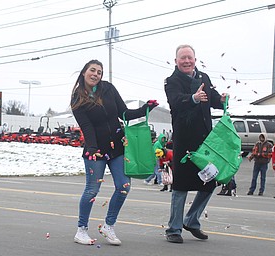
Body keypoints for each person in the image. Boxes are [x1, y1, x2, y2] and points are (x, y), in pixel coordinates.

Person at [70, 59, 158, 245]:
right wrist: (93, 148)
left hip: (117, 147)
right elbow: (86, 126)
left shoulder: (108, 89)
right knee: (92, 189)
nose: (96, 74)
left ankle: (109, 226)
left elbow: (124, 113)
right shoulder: (77, 99)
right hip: (96, 150)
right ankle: (81, 230)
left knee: (124, 186)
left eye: (99, 72)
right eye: (92, 70)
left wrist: (145, 109)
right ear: (84, 72)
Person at [164, 44, 227, 243]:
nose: (186, 61)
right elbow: (175, 101)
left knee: (209, 182)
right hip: (184, 141)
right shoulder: (171, 82)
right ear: (176, 61)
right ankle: (173, 229)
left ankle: (192, 220)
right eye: (182, 58)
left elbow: (213, 100)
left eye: (189, 57)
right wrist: (193, 98)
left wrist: (222, 99)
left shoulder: (204, 78)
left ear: (195, 59)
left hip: (205, 142)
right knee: (181, 186)